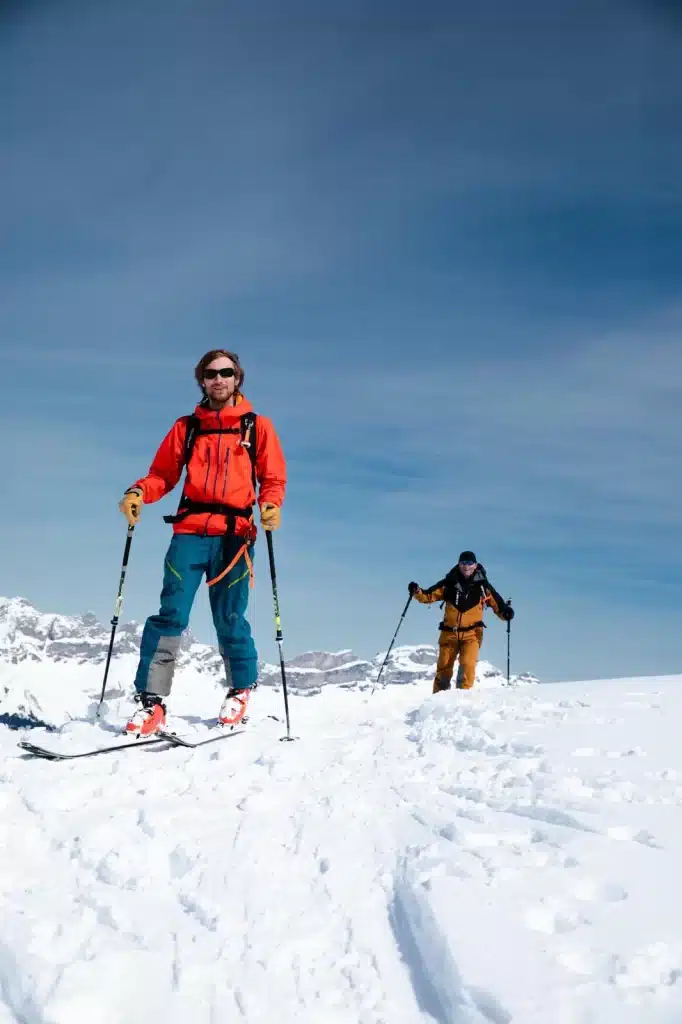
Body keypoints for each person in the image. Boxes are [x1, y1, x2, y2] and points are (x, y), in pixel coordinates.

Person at [118, 349, 286, 736]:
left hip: (234, 535)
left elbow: (273, 477)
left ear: (237, 378)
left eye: (226, 372)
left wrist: (271, 505)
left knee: (229, 616)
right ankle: (151, 701)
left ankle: (241, 689)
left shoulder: (256, 426)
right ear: (202, 380)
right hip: (190, 532)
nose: (219, 379)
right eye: (211, 374)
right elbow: (162, 474)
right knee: (170, 614)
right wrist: (139, 492)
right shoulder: (187, 427)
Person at [408, 551, 514, 693]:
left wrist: (505, 613)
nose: (466, 566)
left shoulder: (483, 586)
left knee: (467, 666)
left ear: (475, 565)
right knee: (444, 669)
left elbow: (497, 605)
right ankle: (438, 702)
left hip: (472, 634)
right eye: (463, 563)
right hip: (449, 633)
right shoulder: (449, 583)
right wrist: (417, 591)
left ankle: (461, 703)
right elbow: (429, 596)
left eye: (470, 563)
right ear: (459, 564)